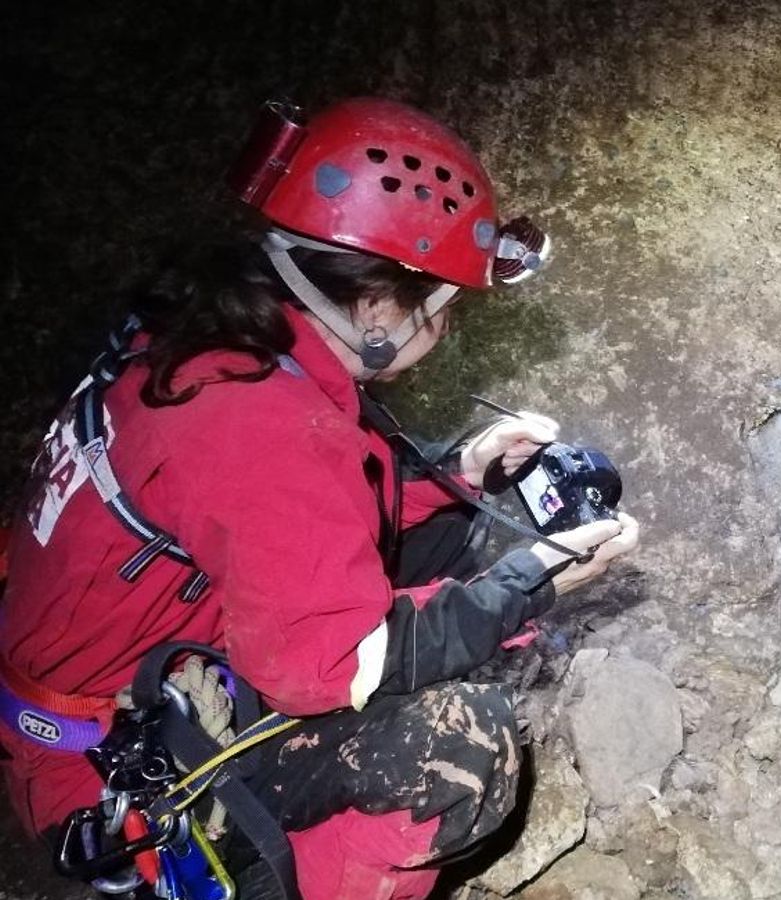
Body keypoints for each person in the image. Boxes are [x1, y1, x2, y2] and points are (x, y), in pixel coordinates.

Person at [0, 97, 640, 899]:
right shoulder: (263, 423)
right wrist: (530, 581)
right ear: (376, 310)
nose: (445, 332)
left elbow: (294, 504)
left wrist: (462, 471)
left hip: (155, 656)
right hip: (113, 764)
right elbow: (329, 668)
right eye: (442, 311)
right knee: (465, 750)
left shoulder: (227, 340)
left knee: (452, 530)